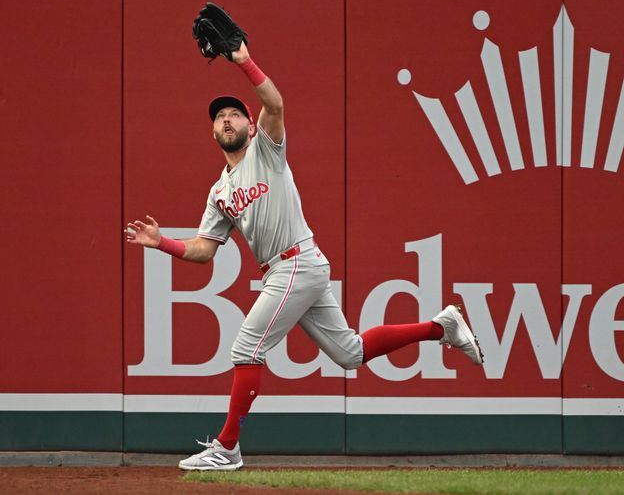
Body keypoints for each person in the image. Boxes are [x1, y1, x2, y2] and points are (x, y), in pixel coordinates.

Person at [124, 41, 484, 471]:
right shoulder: (218, 192)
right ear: (212, 132)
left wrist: (244, 61)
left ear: (250, 126)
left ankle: (227, 447)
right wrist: (161, 242)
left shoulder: (266, 151)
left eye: (234, 113)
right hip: (289, 268)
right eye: (219, 117)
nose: (226, 119)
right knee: (349, 353)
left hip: (295, 260)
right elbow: (204, 251)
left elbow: (274, 103)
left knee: (246, 348)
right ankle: (440, 326)